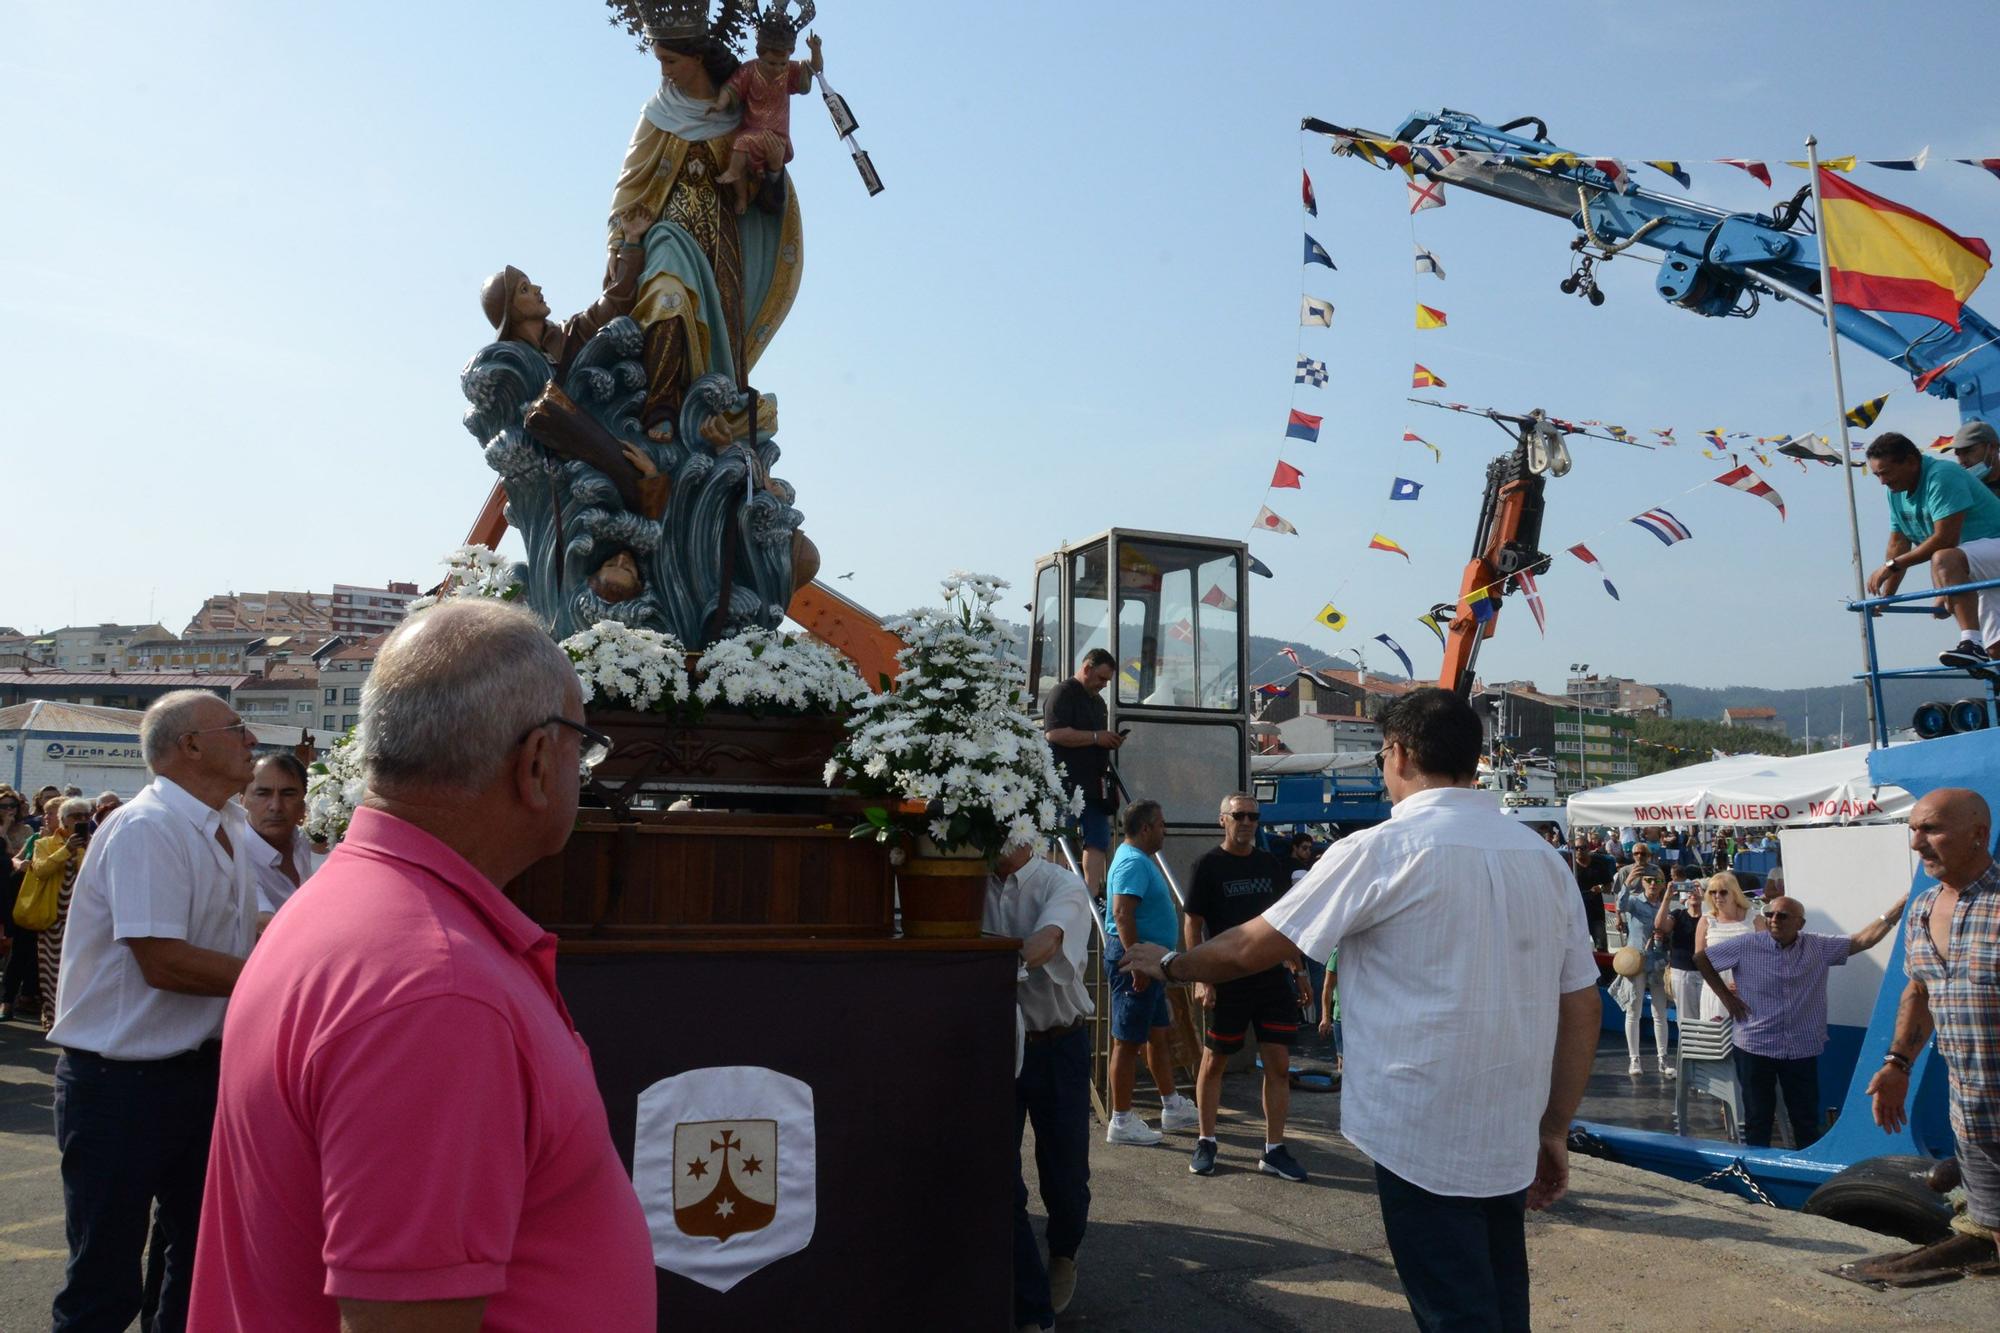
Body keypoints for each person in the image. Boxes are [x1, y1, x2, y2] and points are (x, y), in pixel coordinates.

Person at [188, 601, 654, 1331]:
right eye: (581, 746)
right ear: (535, 763)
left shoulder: (352, 906)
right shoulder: (436, 988)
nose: (582, 770)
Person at [1118, 689, 1599, 1331]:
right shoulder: (1545, 861)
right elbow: (1582, 1005)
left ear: (1397, 753)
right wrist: (1552, 1126)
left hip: (1420, 1130)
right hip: (1510, 1126)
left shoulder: (1379, 850)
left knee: (1456, 1312)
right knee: (1500, 1301)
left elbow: (1251, 947)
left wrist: (1172, 964)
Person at [45, 690, 265, 1332]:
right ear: (190, 746)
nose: (251, 740)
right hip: (120, 1087)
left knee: (193, 1268)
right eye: (237, 728)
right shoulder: (149, 826)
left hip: (197, 1077)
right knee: (103, 1286)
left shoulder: (225, 824)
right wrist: (279, 978)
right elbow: (164, 961)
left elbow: (231, 933)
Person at [1867, 788, 2000, 1262]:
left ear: (1978, 834)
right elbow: (1920, 992)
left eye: (1931, 830)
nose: (1916, 843)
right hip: (1973, 1117)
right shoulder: (1921, 910)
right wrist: (1897, 1064)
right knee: (1991, 1232)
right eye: (1913, 830)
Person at [984, 843, 1095, 1333]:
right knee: (997, 1175)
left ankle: (1064, 1253)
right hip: (993, 1049)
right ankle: (1032, 1305)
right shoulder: (967, 884)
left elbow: (1047, 942)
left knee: (1065, 1174)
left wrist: (982, 968)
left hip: (1058, 1045)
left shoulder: (1062, 884)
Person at [1697, 889, 1906, 1149]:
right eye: (1769, 914)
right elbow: (1702, 958)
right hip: (1755, 1045)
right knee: (1757, 1119)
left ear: (1800, 923)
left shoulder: (1817, 946)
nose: (1774, 920)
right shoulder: (1747, 945)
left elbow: (1864, 940)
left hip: (1801, 1047)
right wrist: (1727, 999)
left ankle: (1804, 1173)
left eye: (1783, 916)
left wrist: (1899, 908)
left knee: (1805, 1119)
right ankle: (1757, 1176)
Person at [1182, 793, 1311, 1182]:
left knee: (1279, 1065)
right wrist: (1202, 974)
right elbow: (1192, 924)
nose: (1248, 822)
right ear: (1223, 820)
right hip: (1228, 978)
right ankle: (1206, 1140)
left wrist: (1299, 970)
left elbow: (1282, 923)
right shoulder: (1208, 866)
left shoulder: (1269, 864)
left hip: (1270, 978)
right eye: (1240, 815)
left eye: (1254, 816)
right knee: (1214, 1060)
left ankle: (1274, 1149)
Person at [1864, 430, 2000, 670]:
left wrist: (1892, 566)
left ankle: (1971, 643)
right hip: (1980, 565)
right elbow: (1898, 543)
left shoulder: (1942, 476)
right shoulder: (1895, 493)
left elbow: (1945, 539)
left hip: (1991, 547)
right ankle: (1978, 650)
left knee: (1944, 557)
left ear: (1911, 462)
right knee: (1996, 649)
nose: (1882, 481)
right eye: (1877, 475)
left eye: (1885, 473)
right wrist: (1887, 596)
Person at [1100, 799, 1195, 1145]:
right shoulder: (1132, 863)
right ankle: (1121, 1120)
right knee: (1127, 1042)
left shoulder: (1138, 860)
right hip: (1136, 962)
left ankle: (1171, 1105)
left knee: (1157, 1033)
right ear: (1146, 828)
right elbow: (1122, 915)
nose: (1165, 830)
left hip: (1150, 963)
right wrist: (1136, 961)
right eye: (1161, 825)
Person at [710, 15, 824, 213]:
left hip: (777, 137)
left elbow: (814, 68)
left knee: (741, 142)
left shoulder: (789, 72)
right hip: (755, 131)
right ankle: (741, 196)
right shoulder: (750, 71)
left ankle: (735, 174)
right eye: (772, 63)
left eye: (782, 63)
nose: (778, 69)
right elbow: (732, 88)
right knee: (742, 145)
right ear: (759, 54)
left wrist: (815, 50)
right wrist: (720, 103)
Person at [1042, 649, 1123, 897]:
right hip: (1065, 781)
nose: (1103, 685)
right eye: (1101, 678)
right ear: (1087, 668)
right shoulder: (1062, 693)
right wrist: (1097, 738)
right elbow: (1054, 734)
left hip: (1095, 782)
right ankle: (1056, 892)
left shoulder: (1098, 703)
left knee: (1098, 839)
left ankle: (1091, 893)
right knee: (1059, 837)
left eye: (1107, 681)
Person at [36, 797, 94, 1029]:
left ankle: (75, 1021)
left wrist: (85, 848)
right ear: (63, 821)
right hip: (53, 919)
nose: (81, 821)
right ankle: (52, 1020)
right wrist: (66, 850)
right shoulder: (46, 844)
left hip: (82, 919)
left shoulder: (94, 842)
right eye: (75, 817)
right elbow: (41, 870)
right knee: (51, 974)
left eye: (85, 816)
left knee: (80, 973)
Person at [240, 752, 318, 917]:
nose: (276, 806)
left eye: (288, 794)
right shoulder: (237, 856)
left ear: (304, 801)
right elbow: (263, 924)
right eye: (263, 794)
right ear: (242, 799)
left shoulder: (302, 840)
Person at [1616, 862, 1674, 1078]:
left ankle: (1663, 1059)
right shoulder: (1634, 901)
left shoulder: (1665, 905)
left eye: (1657, 880)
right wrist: (1627, 883)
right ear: (1642, 882)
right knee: (1634, 1010)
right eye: (1648, 880)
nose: (1652, 883)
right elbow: (1620, 905)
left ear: (1662, 884)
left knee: (1660, 1012)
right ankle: (1634, 1059)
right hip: (1636, 962)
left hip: (1658, 961)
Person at [1695, 871, 1765, 1024]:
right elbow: (1700, 959)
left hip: (1749, 989)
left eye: (1723, 892)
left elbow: (1767, 956)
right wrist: (1722, 986)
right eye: (1712, 892)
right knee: (1716, 1040)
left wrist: (1746, 981)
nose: (1717, 896)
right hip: (1716, 989)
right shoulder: (1706, 921)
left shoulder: (1755, 919)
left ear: (1735, 893)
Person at [1, 786, 39, 1021]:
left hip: (17, 890)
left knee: (15, 947)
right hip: (4, 885)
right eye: (3, 806)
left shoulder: (26, 829)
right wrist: (3, 829)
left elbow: (20, 856)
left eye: (12, 806)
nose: (8, 810)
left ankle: (19, 997)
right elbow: (7, 855)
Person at [1657, 865, 1705, 1026]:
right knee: (1686, 1021)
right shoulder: (1678, 914)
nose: (1693, 894)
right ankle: (1688, 1050)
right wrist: (1667, 898)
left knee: (1708, 1017)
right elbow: (1661, 926)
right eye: (1690, 890)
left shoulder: (1710, 917)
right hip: (1682, 972)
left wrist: (1706, 896)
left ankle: (1703, 1050)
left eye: (1697, 889)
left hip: (1707, 973)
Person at [1572, 832, 1612, 951]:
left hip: (1596, 912)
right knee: (1578, 949)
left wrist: (1599, 888)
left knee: (1601, 945)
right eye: (1576, 848)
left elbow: (1608, 887)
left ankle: (1603, 970)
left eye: (1582, 848)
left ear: (1588, 848)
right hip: (1577, 913)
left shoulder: (1598, 864)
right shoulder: (1570, 866)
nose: (1579, 850)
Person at [1951, 419, 2000, 501]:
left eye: (1968, 451)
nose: (1962, 461)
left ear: (1992, 447)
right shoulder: (1961, 491)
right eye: (1958, 454)